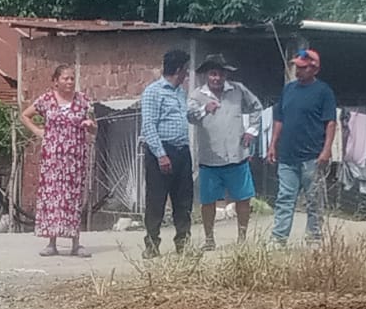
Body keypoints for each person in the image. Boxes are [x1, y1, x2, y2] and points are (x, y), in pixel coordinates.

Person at [187, 53, 262, 251]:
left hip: (237, 155)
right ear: (206, 75)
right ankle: (209, 239)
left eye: (220, 74)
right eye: (213, 74)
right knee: (208, 201)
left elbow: (256, 107)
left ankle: (242, 238)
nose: (217, 78)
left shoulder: (238, 90)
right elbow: (190, 117)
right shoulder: (197, 95)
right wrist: (205, 109)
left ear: (226, 75)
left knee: (243, 198)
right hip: (210, 158)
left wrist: (251, 131)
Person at [22, 63, 97, 257]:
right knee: (52, 198)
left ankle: (75, 243)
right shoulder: (46, 100)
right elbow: (25, 115)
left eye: (72, 78)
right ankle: (51, 243)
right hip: (52, 159)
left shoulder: (83, 101)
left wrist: (90, 126)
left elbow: (94, 127)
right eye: (65, 78)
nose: (70, 82)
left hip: (75, 159)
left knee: (73, 198)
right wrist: (39, 132)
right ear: (55, 81)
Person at [268, 49, 336, 245]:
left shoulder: (323, 92)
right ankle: (278, 238)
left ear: (314, 69)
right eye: (297, 67)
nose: (298, 71)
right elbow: (279, 118)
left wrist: (326, 150)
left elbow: (330, 122)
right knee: (284, 198)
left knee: (314, 200)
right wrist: (273, 144)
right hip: (287, 155)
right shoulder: (289, 89)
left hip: (312, 157)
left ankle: (314, 238)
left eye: (303, 67)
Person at [139, 49, 194, 257]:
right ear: (178, 70)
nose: (186, 74)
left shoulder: (180, 92)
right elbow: (149, 126)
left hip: (181, 151)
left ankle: (183, 243)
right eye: (185, 70)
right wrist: (161, 155)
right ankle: (152, 244)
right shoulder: (153, 92)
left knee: (183, 200)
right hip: (161, 151)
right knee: (156, 200)